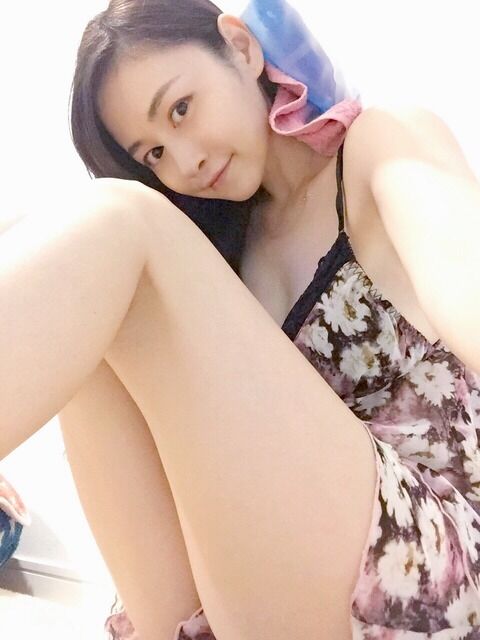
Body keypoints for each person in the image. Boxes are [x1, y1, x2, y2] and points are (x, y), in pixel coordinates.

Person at [1, 0, 479, 639]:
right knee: (89, 316)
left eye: (180, 109)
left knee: (120, 221)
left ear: (242, 48)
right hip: (283, 587)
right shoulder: (216, 261)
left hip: (438, 558)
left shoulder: (378, 146)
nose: (184, 163)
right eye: (154, 154)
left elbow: (464, 278)